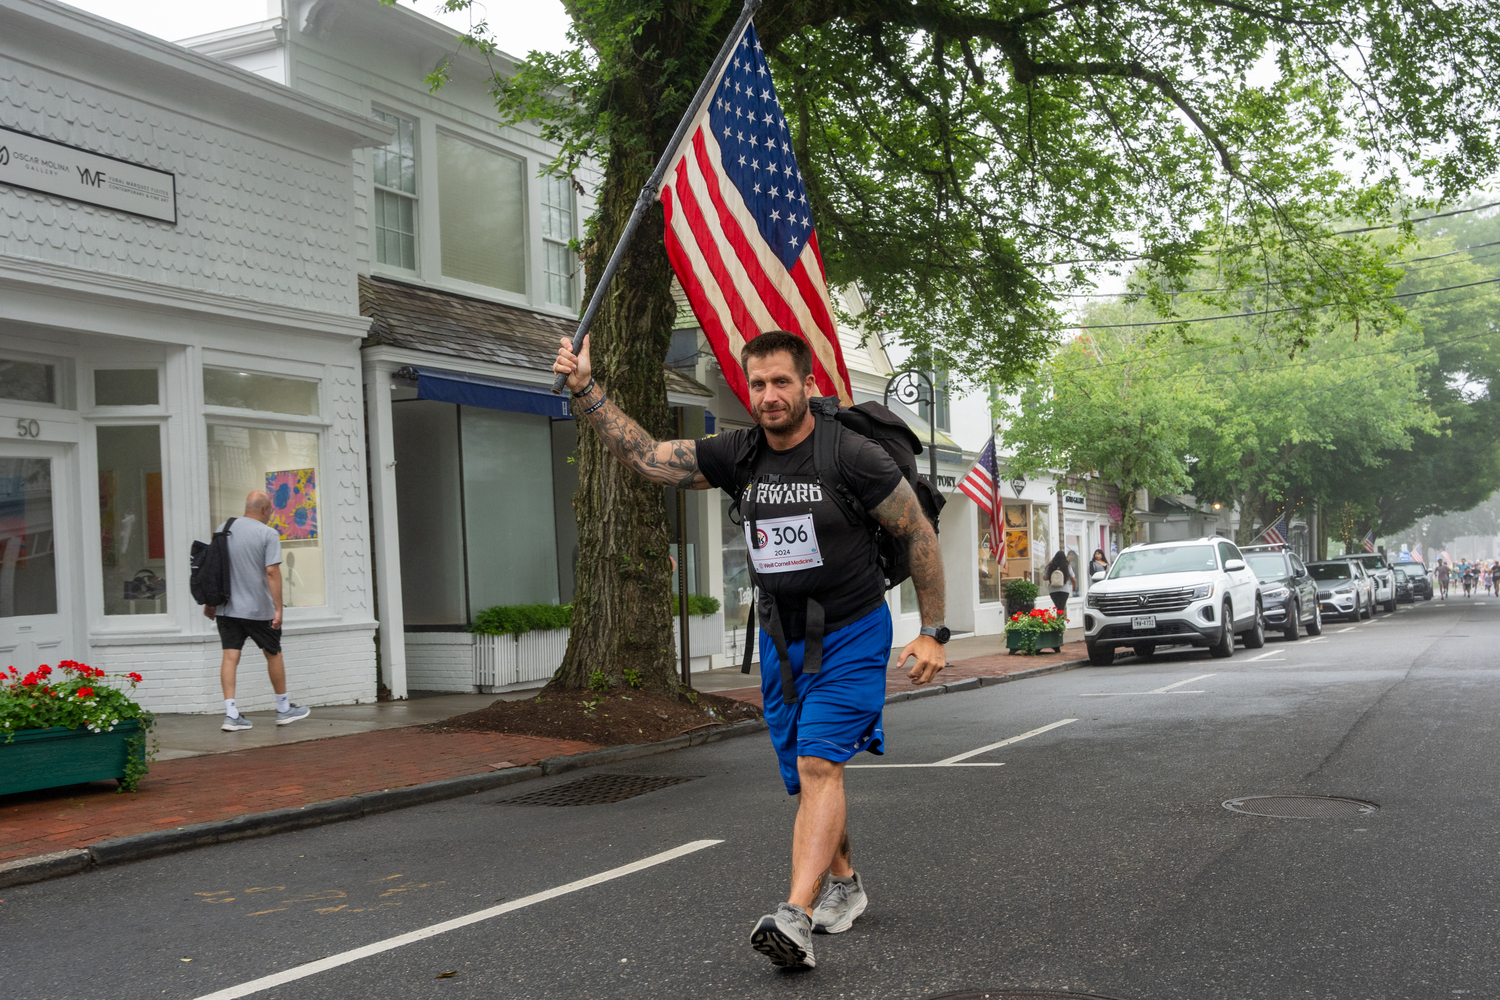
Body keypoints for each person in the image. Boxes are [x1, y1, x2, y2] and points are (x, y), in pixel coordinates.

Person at [554, 329, 947, 971]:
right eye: (757, 384)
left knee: (821, 763)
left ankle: (794, 918)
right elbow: (650, 457)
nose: (768, 395)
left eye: (781, 382)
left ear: (808, 385)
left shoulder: (852, 456)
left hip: (850, 631)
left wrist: (933, 629)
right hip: (780, 637)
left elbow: (919, 535)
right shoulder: (739, 455)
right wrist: (585, 390)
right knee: (806, 772)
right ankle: (844, 884)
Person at [204, 491, 310, 732]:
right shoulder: (267, 533)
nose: (271, 515)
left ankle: (231, 714)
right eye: (271, 511)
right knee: (273, 653)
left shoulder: (224, 527)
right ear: (264, 510)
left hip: (227, 608)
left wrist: (210, 602)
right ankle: (283, 709)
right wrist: (279, 609)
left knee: (230, 657)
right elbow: (272, 572)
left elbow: (213, 568)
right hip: (257, 609)